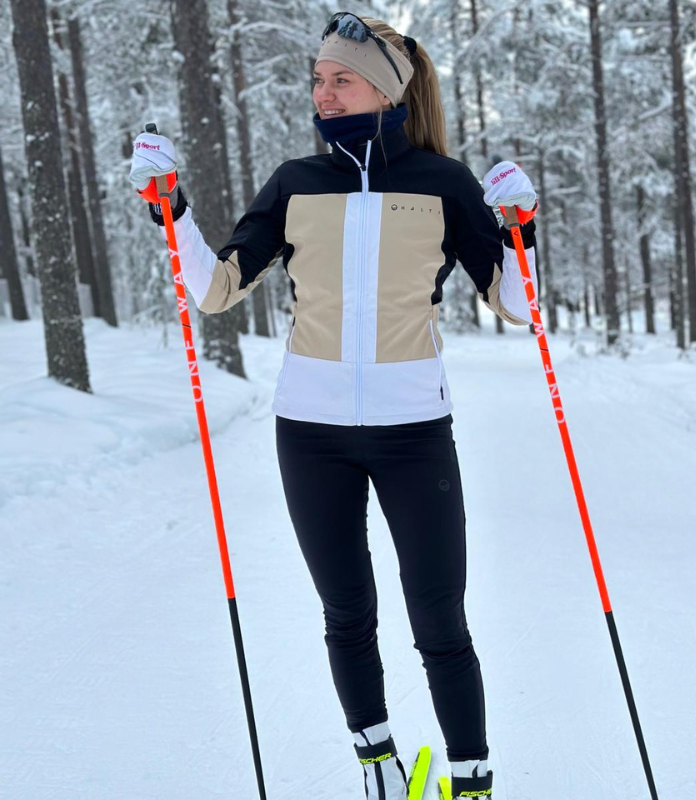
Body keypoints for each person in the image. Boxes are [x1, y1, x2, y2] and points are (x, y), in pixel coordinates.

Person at [129, 12, 538, 800]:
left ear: (382, 89)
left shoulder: (442, 183)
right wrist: (172, 210)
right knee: (346, 615)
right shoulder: (294, 182)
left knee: (439, 623)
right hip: (310, 433)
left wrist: (520, 228)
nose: (323, 91)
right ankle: (378, 766)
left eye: (339, 78)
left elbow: (515, 304)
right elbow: (215, 290)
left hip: (415, 431)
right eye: (317, 79)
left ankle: (473, 783)